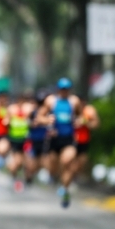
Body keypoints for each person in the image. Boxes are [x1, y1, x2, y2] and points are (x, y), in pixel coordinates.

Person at [38, 78, 81, 208]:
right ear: (58, 89)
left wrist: (78, 121)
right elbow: (39, 117)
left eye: (67, 89)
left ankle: (65, 189)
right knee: (53, 168)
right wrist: (47, 120)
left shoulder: (74, 102)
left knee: (67, 162)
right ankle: (53, 177)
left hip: (68, 138)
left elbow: (80, 116)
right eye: (62, 89)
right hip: (54, 139)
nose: (64, 91)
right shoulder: (51, 101)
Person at [6, 94, 32, 192]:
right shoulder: (12, 110)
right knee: (17, 162)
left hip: (25, 140)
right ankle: (14, 176)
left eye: (23, 101)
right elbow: (7, 122)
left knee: (26, 162)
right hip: (14, 140)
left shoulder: (28, 110)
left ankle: (27, 178)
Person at [26, 91, 50, 184]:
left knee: (43, 161)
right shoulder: (32, 113)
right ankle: (29, 176)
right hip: (33, 140)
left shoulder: (49, 113)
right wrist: (33, 123)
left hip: (44, 140)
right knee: (31, 163)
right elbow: (27, 123)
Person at [73, 97, 100, 178]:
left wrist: (85, 122)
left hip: (84, 141)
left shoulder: (89, 111)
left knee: (81, 162)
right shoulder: (71, 109)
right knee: (69, 160)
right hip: (71, 140)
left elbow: (96, 124)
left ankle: (72, 177)